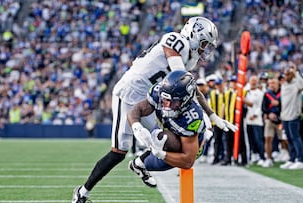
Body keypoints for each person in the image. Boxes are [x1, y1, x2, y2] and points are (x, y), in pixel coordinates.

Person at [72, 16, 237, 203]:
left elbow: (188, 85)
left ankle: (140, 164)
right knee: (119, 151)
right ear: (193, 35)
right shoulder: (177, 41)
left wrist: (212, 114)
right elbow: (180, 77)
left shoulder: (191, 57)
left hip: (152, 97)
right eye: (204, 43)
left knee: (169, 143)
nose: (205, 49)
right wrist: (137, 127)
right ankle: (82, 193)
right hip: (129, 93)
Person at [128, 70, 206, 184]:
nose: (167, 106)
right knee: (160, 137)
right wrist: (137, 127)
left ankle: (140, 163)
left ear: (186, 99)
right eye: (165, 100)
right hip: (164, 126)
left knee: (165, 141)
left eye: (173, 102)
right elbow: (136, 109)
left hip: (187, 145)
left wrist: (161, 154)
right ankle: (144, 157)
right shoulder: (159, 93)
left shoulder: (191, 118)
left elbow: (188, 162)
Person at [280, 62, 303, 170]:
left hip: (294, 115)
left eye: (288, 74)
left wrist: (296, 72)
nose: (286, 76)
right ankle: (292, 159)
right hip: (285, 116)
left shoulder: (296, 85)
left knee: (296, 137)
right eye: (285, 74)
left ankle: (301, 160)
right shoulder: (284, 85)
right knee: (289, 138)